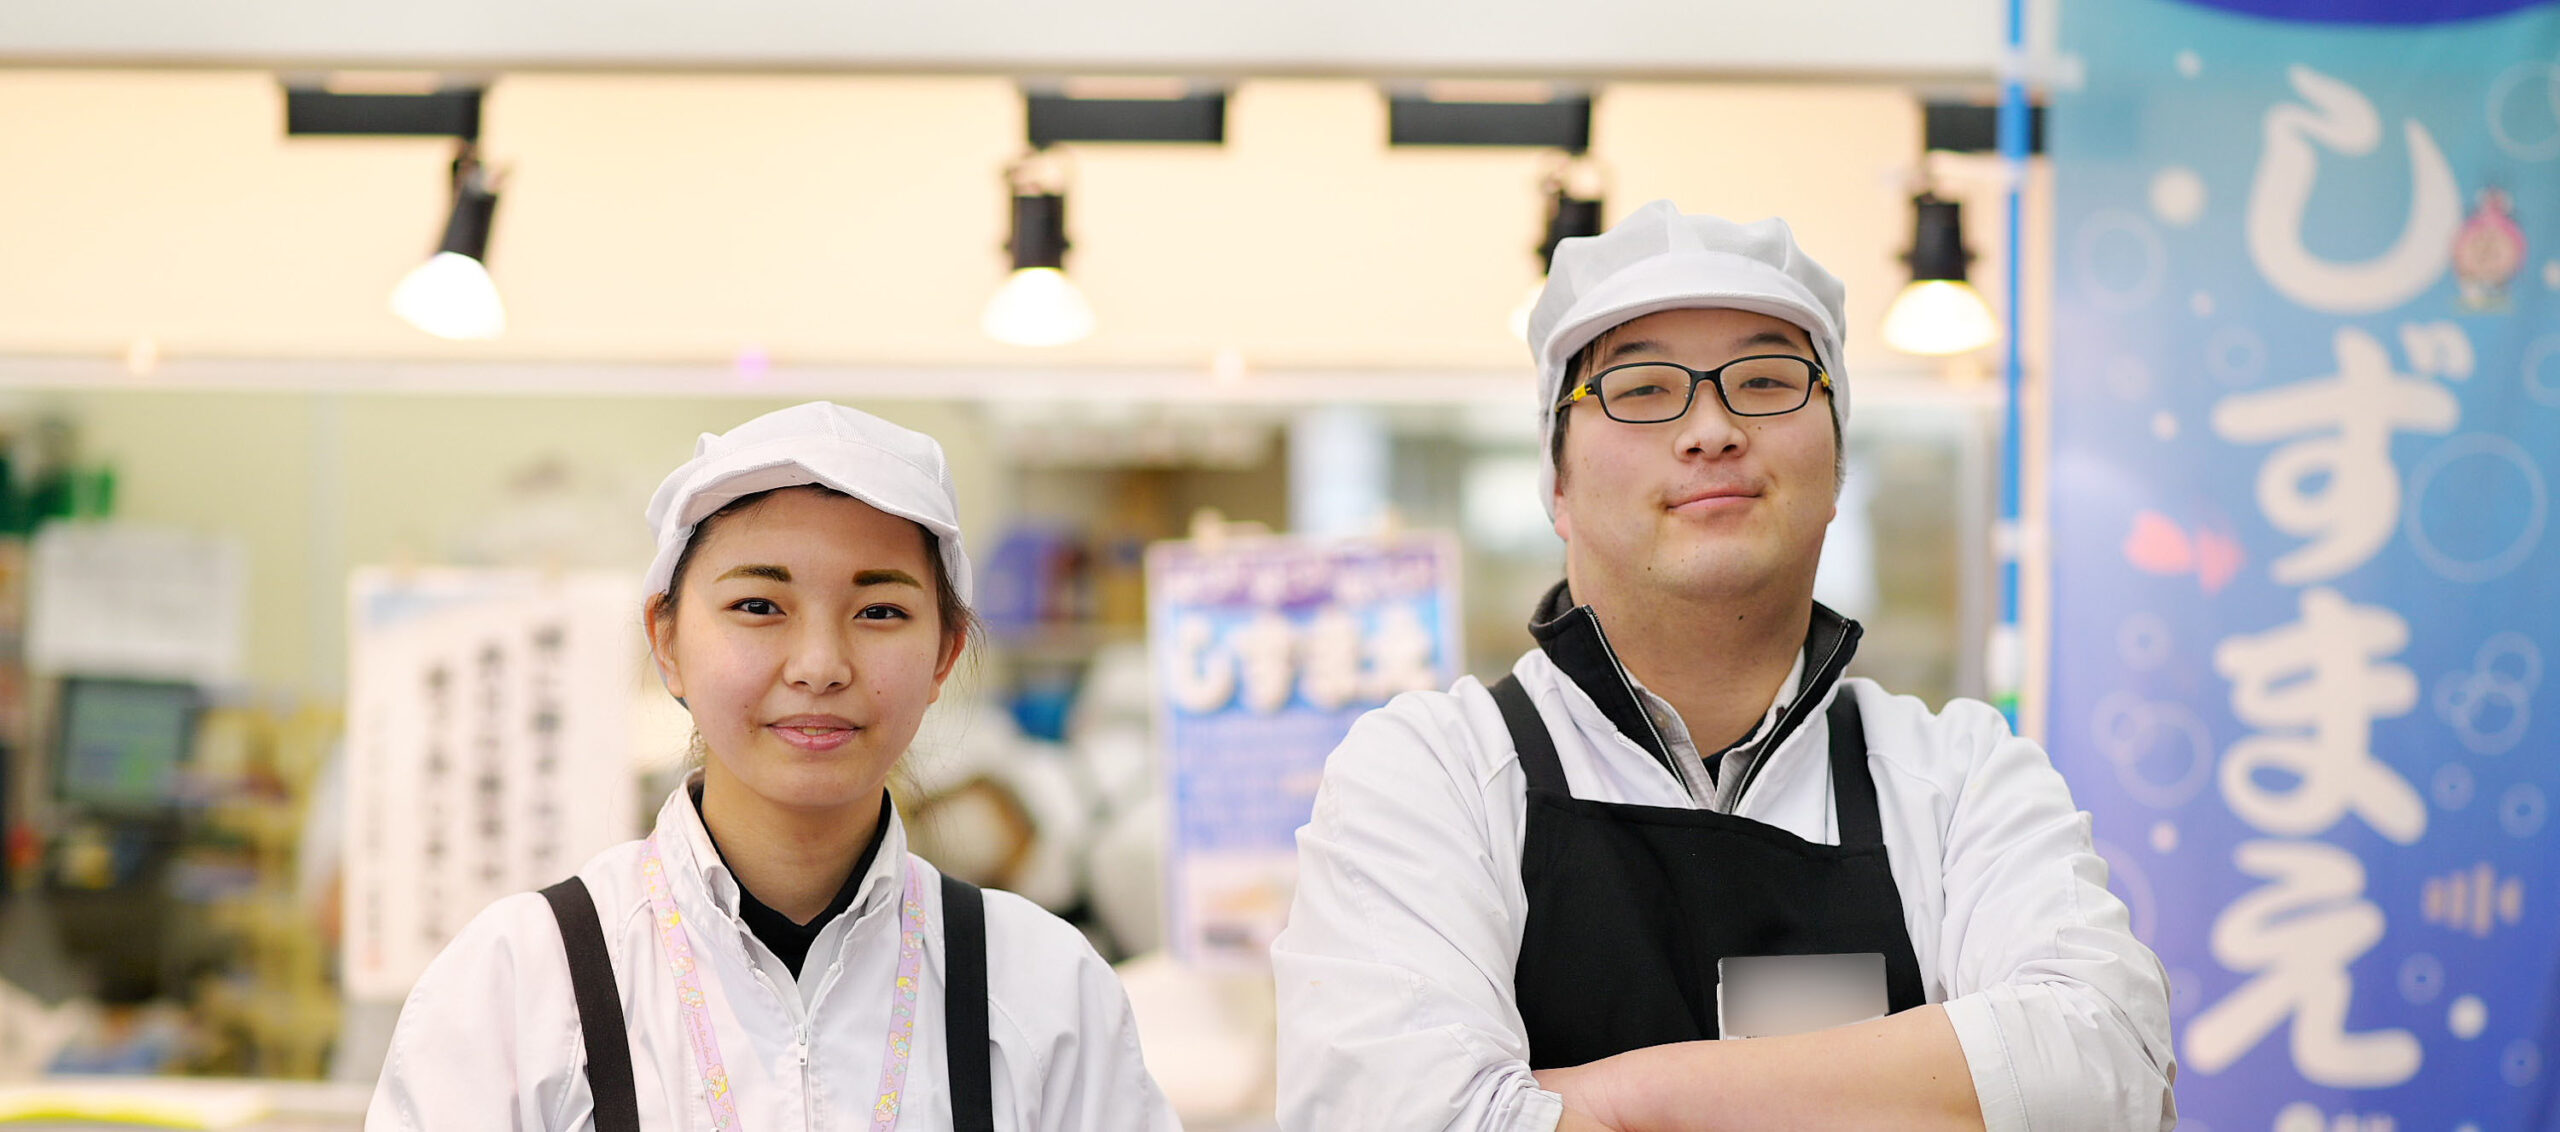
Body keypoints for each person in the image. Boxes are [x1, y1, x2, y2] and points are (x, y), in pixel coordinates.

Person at [1270, 201, 2176, 1132]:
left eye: (1768, 379)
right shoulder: (1431, 775)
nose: (1711, 428)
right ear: (1558, 486)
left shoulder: (1960, 776)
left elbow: (2109, 1071)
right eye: (1644, 389)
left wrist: (1611, 1101)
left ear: (1837, 466)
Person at [369, 402, 1180, 1131]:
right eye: (759, 606)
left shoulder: (1044, 987)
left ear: (945, 655)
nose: (820, 665)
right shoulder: (519, 981)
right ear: (667, 642)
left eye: (880, 611)